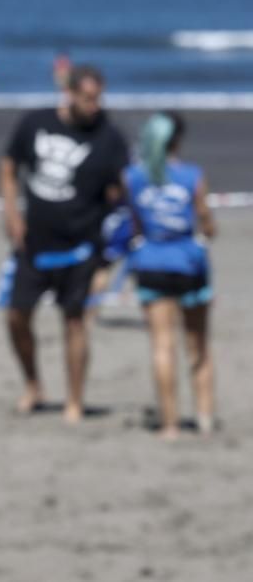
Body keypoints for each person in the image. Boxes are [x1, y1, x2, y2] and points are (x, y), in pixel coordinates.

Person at [0, 64, 128, 422]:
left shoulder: (109, 137)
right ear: (69, 93)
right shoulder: (35, 122)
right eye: (87, 98)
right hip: (33, 243)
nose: (94, 106)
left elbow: (122, 190)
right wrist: (12, 214)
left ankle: (75, 399)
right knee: (16, 316)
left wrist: (111, 252)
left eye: (98, 99)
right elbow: (9, 165)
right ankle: (33, 385)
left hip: (81, 244)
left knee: (74, 322)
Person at [123, 112, 216, 440]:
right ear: (176, 140)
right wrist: (207, 231)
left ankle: (170, 424)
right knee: (198, 345)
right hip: (189, 264)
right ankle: (204, 417)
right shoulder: (191, 176)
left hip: (151, 262)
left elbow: (134, 223)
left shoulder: (133, 176)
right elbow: (205, 221)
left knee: (162, 346)